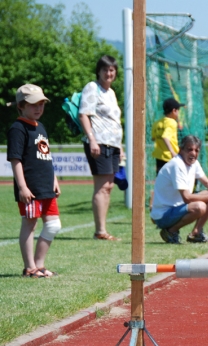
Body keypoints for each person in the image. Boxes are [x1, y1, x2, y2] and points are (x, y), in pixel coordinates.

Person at [7, 84, 62, 278]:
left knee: (54, 225)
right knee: (30, 224)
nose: (38, 108)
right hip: (30, 188)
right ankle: (29, 267)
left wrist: (53, 179)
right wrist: (22, 186)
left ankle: (39, 265)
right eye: (33, 104)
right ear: (20, 106)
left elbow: (46, 156)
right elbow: (15, 160)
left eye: (41, 103)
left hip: (46, 186)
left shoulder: (41, 127)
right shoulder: (18, 128)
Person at [151, 135, 208, 244]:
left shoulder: (193, 163)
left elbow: (207, 182)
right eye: (190, 149)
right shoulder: (177, 165)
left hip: (176, 209)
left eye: (196, 150)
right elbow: (187, 198)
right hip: (163, 216)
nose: (193, 153)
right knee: (200, 206)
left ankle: (196, 233)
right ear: (181, 150)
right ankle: (170, 231)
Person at [78, 55, 123, 241]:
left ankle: (102, 229)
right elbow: (83, 114)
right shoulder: (92, 87)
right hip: (99, 143)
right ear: (99, 71)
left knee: (109, 186)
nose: (109, 73)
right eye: (105, 69)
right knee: (102, 186)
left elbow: (114, 121)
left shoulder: (111, 93)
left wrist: (120, 146)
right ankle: (100, 231)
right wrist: (92, 140)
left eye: (112, 70)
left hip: (113, 144)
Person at [152, 98, 185, 174]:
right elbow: (165, 137)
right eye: (178, 110)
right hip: (169, 157)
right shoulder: (172, 122)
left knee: (162, 181)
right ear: (174, 111)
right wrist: (172, 152)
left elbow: (153, 138)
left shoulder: (157, 123)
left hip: (159, 156)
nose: (179, 113)